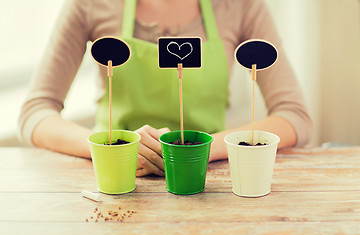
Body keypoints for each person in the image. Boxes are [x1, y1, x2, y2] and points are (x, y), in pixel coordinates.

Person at [18, 0, 312, 177]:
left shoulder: (240, 5)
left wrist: (201, 149)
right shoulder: (90, 4)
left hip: (208, 182)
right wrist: (113, 148)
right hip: (112, 179)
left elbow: (295, 117)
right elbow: (36, 113)